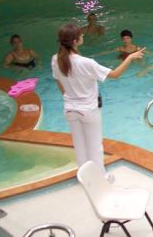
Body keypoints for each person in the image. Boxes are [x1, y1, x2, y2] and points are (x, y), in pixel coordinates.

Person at [51, 23, 144, 173]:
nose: (83, 36)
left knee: (79, 146)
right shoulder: (86, 63)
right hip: (88, 109)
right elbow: (114, 74)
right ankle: (101, 179)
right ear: (75, 41)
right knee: (95, 147)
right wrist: (130, 58)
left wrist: (69, 97)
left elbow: (57, 80)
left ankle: (84, 176)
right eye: (80, 35)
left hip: (69, 108)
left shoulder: (56, 59)